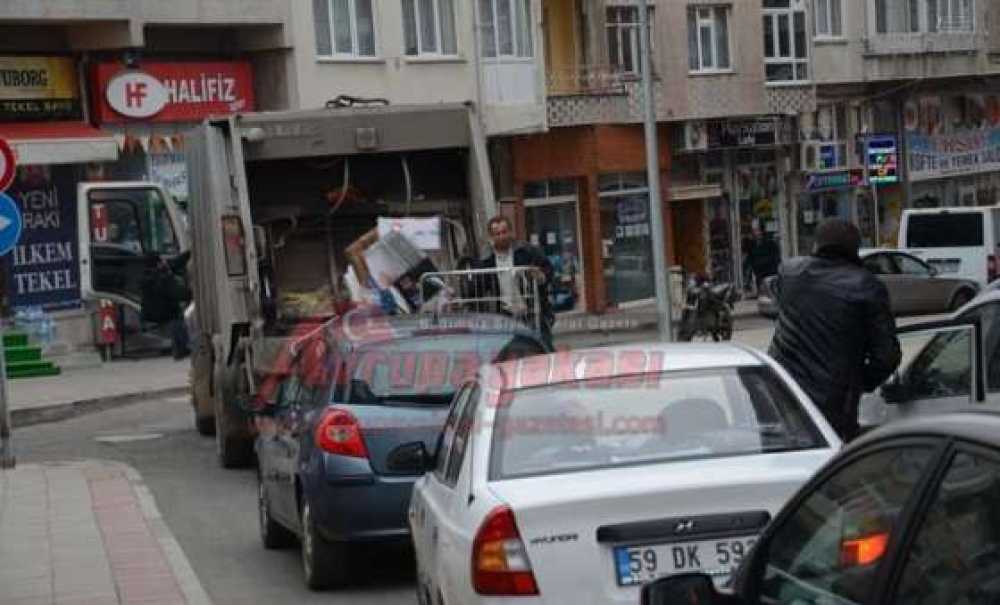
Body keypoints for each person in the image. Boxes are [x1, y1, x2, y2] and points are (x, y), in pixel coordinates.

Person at [768, 219, 901, 441]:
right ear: (855, 249)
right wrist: (860, 382)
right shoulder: (866, 286)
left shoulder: (790, 272)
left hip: (780, 395)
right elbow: (887, 356)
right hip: (834, 407)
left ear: (816, 245)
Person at [477, 215, 555, 348]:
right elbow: (478, 287)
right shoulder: (487, 259)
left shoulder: (526, 250)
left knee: (543, 350)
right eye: (497, 234)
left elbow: (548, 270)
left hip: (532, 313)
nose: (501, 236)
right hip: (505, 316)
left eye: (504, 232)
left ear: (511, 232)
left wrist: (541, 276)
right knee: (511, 356)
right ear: (491, 237)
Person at [141, 251, 192, 360]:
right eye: (162, 260)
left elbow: (175, 263)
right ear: (158, 264)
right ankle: (181, 348)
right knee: (180, 319)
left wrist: (189, 253)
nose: (165, 262)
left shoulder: (147, 276)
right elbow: (181, 294)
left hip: (154, 317)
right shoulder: (162, 279)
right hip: (166, 318)